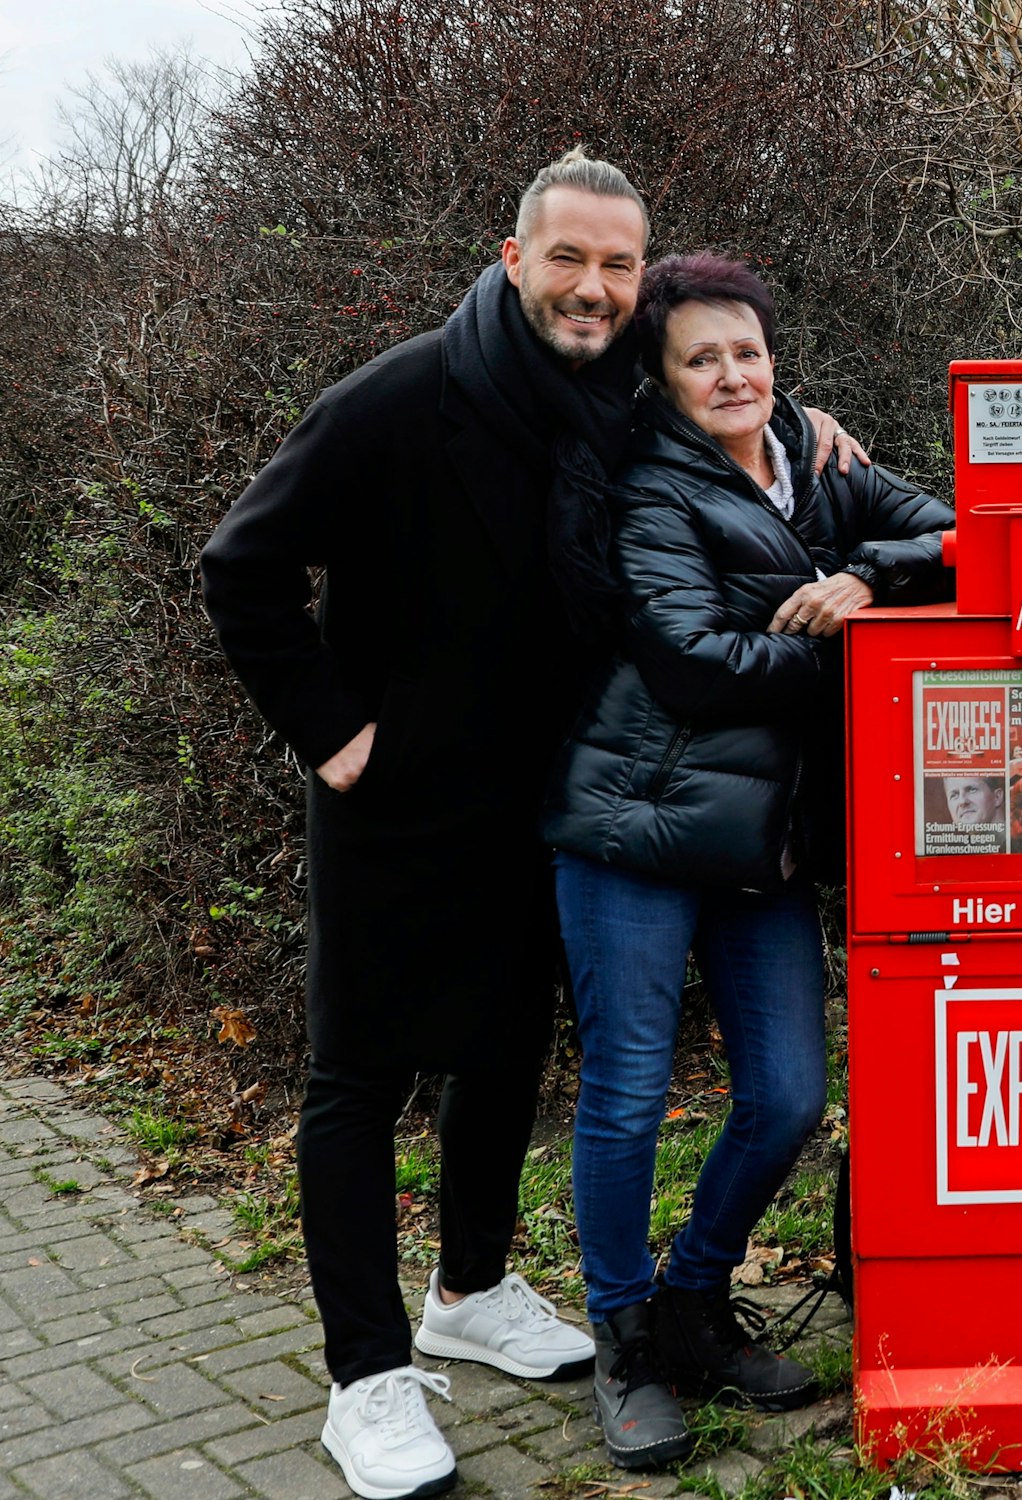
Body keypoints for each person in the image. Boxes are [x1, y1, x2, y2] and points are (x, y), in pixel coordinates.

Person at [201, 153, 865, 1500]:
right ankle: (369, 1376)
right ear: (515, 259)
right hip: (394, 803)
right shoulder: (399, 397)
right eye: (570, 258)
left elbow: (721, 430)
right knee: (362, 1079)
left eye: (619, 265)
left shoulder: (614, 398)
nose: (596, 287)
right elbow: (243, 565)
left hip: (549, 795)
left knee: (503, 1056)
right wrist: (332, 732)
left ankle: (473, 1289)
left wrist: (811, 430)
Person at [539, 254, 952, 1470]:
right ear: (662, 383)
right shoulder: (645, 484)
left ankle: (691, 1305)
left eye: (747, 352)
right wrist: (855, 646)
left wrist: (865, 576)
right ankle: (621, 1338)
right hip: (636, 824)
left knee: (784, 1097)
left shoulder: (817, 464)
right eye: (700, 358)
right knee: (623, 1093)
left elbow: (956, 531)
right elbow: (689, 656)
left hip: (759, 840)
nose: (731, 375)